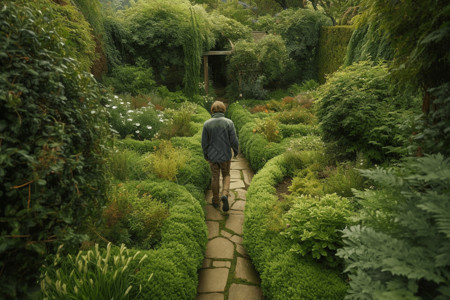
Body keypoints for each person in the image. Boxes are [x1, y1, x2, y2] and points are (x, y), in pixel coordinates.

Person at [201, 101, 239, 212]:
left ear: (212, 110)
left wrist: (206, 154)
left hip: (212, 156)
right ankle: (225, 194)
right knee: (226, 174)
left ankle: (216, 200)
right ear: (223, 110)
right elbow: (234, 140)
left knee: (215, 177)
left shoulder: (207, 124)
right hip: (225, 155)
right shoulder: (229, 123)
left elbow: (204, 143)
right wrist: (236, 151)